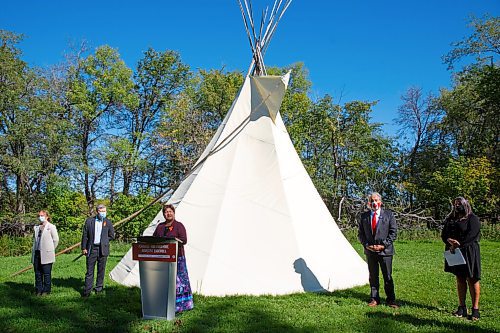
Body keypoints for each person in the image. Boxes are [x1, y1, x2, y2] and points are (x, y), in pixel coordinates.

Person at [441, 197, 481, 320]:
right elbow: (444, 234)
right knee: (460, 278)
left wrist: (460, 243)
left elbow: (472, 235)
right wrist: (449, 240)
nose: (457, 206)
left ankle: (475, 309)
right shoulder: (451, 218)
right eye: (455, 204)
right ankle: (462, 307)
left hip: (469, 251)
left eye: (459, 204)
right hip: (454, 251)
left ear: (465, 204)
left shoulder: (472, 218)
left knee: (472, 279)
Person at [358, 192, 398, 308]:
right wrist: (367, 245)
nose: (374, 203)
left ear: (380, 202)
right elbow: (360, 234)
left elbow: (393, 233)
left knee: (388, 276)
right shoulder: (364, 216)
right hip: (370, 251)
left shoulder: (388, 215)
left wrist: (383, 245)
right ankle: (374, 298)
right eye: (372, 201)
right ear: (369, 203)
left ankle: (391, 300)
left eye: (376, 200)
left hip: (385, 251)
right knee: (373, 276)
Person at [153, 204, 194, 313]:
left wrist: (175, 240)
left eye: (170, 211)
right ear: (163, 214)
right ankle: (165, 303)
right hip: (163, 258)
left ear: (174, 213)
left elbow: (184, 240)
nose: (168, 213)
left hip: (177, 257)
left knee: (180, 282)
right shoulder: (160, 227)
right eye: (166, 212)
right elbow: (154, 239)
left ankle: (182, 305)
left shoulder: (179, 226)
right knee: (165, 281)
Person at [81, 204, 115, 297]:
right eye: (102, 211)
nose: (104, 213)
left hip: (103, 249)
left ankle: (98, 289)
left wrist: (104, 241)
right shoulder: (89, 221)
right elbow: (85, 235)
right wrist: (83, 248)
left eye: (105, 211)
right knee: (89, 271)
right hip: (91, 249)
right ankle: (87, 291)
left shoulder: (108, 222)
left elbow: (112, 235)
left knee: (101, 270)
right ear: (97, 212)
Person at [31, 210, 59, 296]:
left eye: (42, 215)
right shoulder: (36, 227)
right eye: (39, 215)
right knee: (38, 273)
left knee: (46, 273)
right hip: (37, 253)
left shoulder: (51, 227)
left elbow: (56, 240)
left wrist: (50, 249)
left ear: (47, 216)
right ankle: (38, 289)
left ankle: (46, 290)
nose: (40, 217)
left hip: (47, 254)